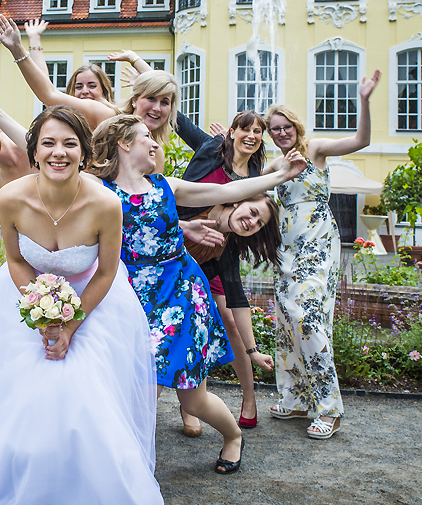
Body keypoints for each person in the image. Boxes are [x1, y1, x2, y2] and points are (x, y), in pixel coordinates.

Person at [0, 106, 164, 505]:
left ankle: (92, 485)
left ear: (84, 152)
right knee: (27, 388)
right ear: (35, 151)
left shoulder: (105, 204)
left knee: (82, 388)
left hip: (94, 299)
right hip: (26, 294)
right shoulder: (10, 198)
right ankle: (24, 478)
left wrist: (71, 323)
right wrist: (42, 314)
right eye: (48, 143)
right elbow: (15, 259)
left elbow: (106, 272)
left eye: (69, 144)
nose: (58, 152)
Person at [90, 114, 304, 474]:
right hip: (128, 296)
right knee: (143, 385)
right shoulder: (99, 190)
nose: (155, 142)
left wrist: (280, 175)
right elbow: (48, 163)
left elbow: (226, 192)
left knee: (178, 392)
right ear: (124, 145)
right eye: (146, 137)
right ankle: (118, 465)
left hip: (180, 295)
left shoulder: (166, 186)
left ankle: (232, 436)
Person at [110, 49, 272, 434]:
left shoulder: (254, 173)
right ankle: (183, 408)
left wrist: (279, 175)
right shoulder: (207, 147)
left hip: (215, 246)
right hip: (174, 239)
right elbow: (165, 107)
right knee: (146, 354)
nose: (251, 135)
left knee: (230, 316)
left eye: (258, 131)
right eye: (244, 128)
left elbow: (254, 205)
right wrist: (137, 61)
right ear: (231, 131)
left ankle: (243, 400)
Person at [262, 68, 381, 440]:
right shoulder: (274, 166)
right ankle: (296, 398)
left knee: (308, 316)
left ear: (296, 127)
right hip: (288, 249)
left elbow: (361, 140)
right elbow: (240, 186)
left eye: (285, 127)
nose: (281, 133)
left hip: (320, 243)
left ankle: (329, 408)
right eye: (274, 129)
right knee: (286, 317)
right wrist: (225, 143)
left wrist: (363, 99)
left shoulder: (314, 149)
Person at [0, 14, 119, 131]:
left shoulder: (105, 112)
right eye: (78, 86)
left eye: (92, 85)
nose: (85, 91)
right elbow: (44, 84)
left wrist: (17, 49)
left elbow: (48, 93)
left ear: (105, 90)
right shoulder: (70, 117)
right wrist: (34, 38)